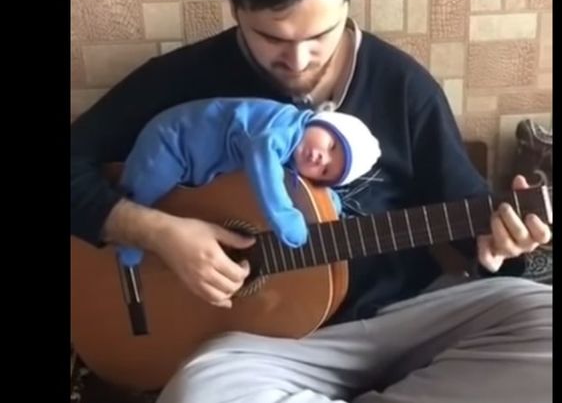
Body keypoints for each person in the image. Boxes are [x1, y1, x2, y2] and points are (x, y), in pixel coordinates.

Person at [69, 0, 553, 401]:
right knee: (198, 392)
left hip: (409, 320)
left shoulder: (403, 87)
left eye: (320, 34)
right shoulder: (182, 81)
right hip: (266, 349)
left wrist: (502, 243)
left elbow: (470, 225)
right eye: (271, 38)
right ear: (233, 1)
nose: (298, 61)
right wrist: (157, 232)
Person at [113, 97, 381, 285]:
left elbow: (293, 180)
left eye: (326, 172)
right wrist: (284, 215)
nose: (321, 158)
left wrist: (328, 204)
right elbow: (263, 159)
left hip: (199, 168)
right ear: (320, 122)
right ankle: (128, 242)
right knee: (143, 190)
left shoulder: (295, 154)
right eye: (331, 145)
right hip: (173, 140)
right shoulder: (284, 127)